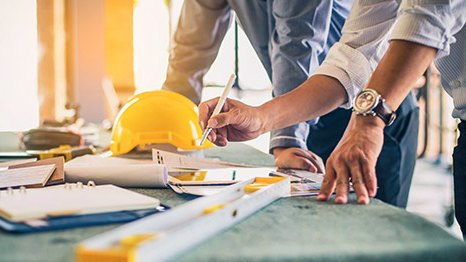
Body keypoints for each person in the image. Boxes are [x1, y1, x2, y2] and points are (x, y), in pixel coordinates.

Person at [198, 0, 466, 238]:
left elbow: (429, 16)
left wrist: (369, 120)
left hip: (384, 112)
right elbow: (353, 56)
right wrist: (260, 118)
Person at [163, 0, 419, 208]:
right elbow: (190, 48)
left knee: (374, 234)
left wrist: (288, 139)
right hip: (302, 109)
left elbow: (297, 43)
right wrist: (165, 121)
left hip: (375, 110)